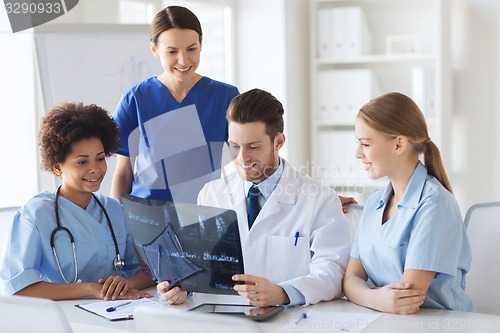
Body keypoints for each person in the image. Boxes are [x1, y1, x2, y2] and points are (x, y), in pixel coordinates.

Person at [157, 88, 351, 306]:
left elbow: (333, 272)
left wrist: (283, 293)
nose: (242, 158)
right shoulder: (211, 194)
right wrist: (181, 287)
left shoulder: (319, 199)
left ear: (278, 142)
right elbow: (195, 265)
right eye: (234, 146)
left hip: (286, 321)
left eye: (253, 146)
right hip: (219, 321)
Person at [0, 102, 155, 300]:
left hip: (116, 314)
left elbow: (149, 270)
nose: (95, 169)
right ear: (57, 167)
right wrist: (90, 289)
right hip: (62, 319)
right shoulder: (36, 214)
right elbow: (17, 286)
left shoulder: (114, 209)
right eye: (82, 162)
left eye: (100, 158)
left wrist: (127, 283)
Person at [343, 92, 474, 314]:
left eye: (365, 143)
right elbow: (351, 279)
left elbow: (406, 300)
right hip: (387, 321)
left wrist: (367, 296)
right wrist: (375, 299)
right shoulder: (375, 201)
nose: (357, 154)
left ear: (399, 144)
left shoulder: (435, 204)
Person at [111, 5, 239, 204]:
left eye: (191, 49)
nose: (183, 60)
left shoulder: (225, 97)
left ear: (201, 45)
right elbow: (123, 172)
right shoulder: (136, 99)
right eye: (172, 51)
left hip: (202, 213)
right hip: (146, 217)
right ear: (155, 50)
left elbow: (242, 160)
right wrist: (115, 224)